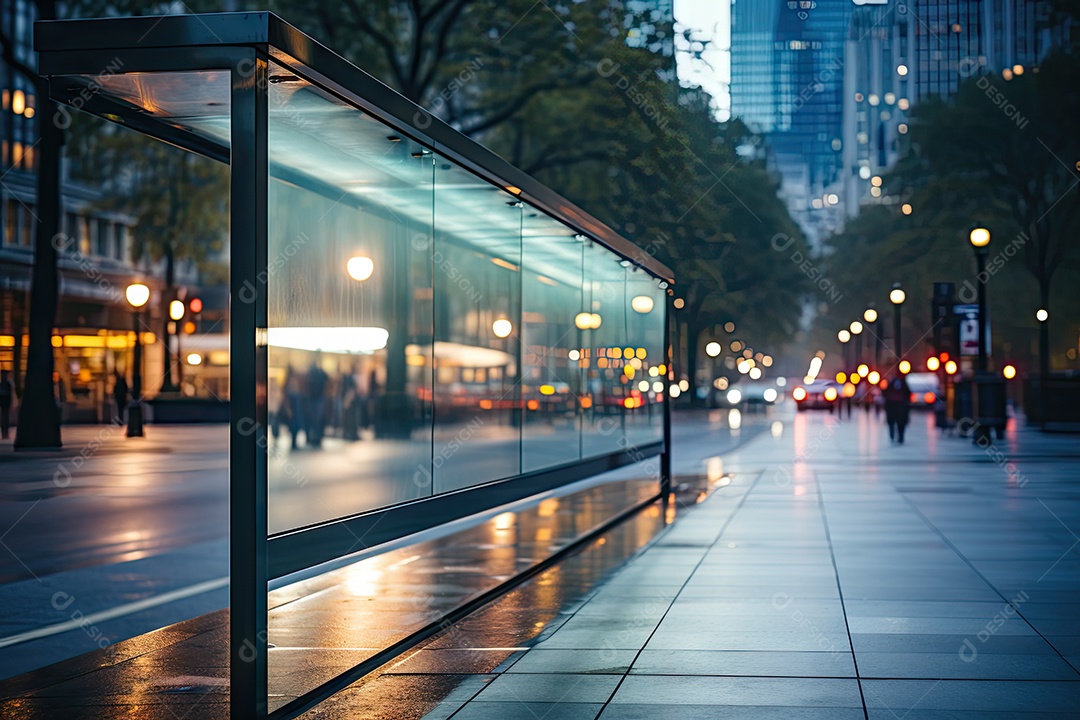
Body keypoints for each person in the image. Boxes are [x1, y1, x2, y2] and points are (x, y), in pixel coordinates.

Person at [883, 373, 912, 444]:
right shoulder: (893, 385)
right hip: (896, 408)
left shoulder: (899, 384)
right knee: (896, 423)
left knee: (899, 423)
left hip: (898, 408)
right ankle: (897, 436)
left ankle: (898, 436)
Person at [0, 370, 13, 439]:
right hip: (6, 403)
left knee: (4, 418)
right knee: (5, 418)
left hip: (4, 403)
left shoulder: (2, 384)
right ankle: (5, 434)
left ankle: (5, 434)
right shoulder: (7, 384)